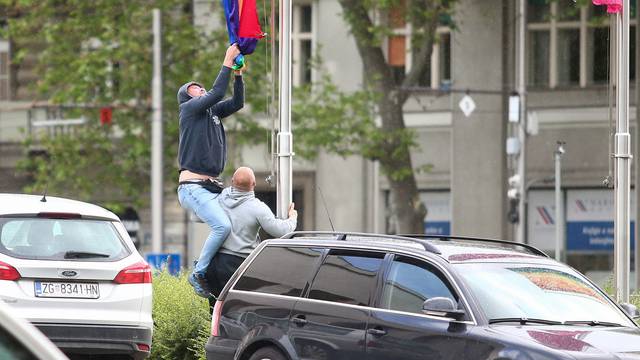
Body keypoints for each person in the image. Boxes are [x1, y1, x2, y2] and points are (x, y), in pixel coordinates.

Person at [176, 44, 244, 297]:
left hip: (211, 188)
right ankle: (198, 272)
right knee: (222, 228)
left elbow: (237, 102)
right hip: (193, 189)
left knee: (238, 222)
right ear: (187, 98)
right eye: (195, 90)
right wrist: (227, 59)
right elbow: (216, 92)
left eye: (201, 87)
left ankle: (219, 272)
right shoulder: (189, 110)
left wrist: (238, 75)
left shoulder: (211, 111)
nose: (201, 90)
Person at [205, 166, 297, 307]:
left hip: (214, 262)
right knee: (236, 310)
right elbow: (281, 231)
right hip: (238, 265)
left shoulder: (220, 198)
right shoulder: (257, 208)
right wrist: (292, 218)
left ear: (232, 181)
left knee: (213, 312)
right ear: (254, 184)